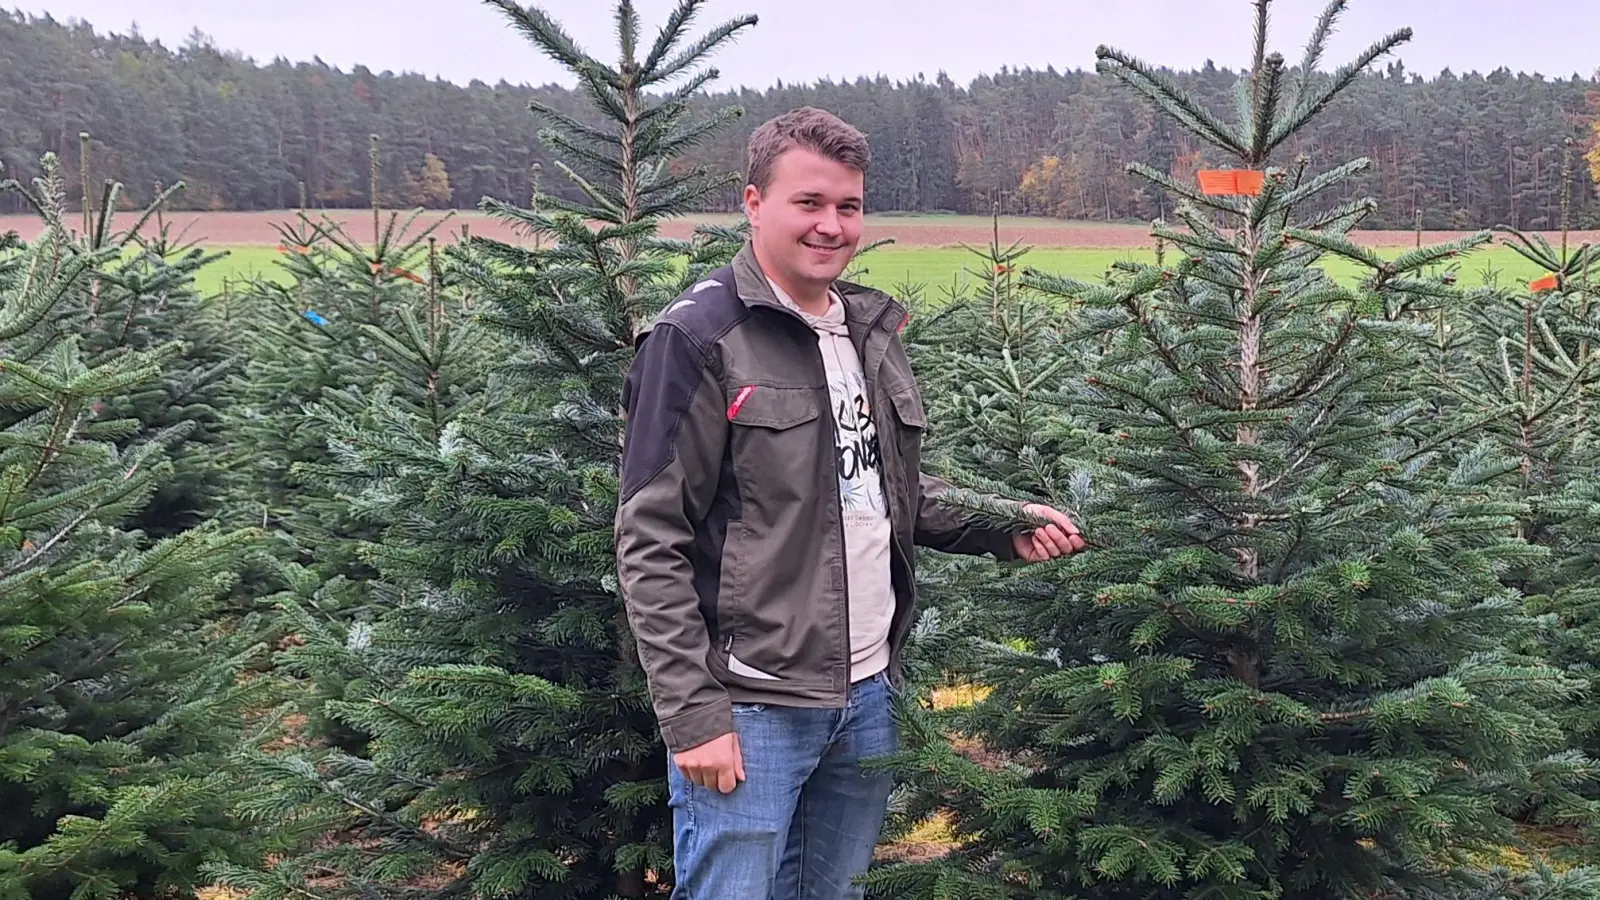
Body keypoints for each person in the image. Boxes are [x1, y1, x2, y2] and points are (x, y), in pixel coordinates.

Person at [614, 105, 1086, 899]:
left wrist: (1004, 529)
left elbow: (879, 488)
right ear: (754, 202)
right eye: (809, 203)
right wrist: (695, 715)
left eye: (848, 206)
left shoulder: (867, 328)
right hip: (753, 701)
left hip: (867, 690)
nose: (831, 225)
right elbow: (650, 538)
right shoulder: (700, 338)